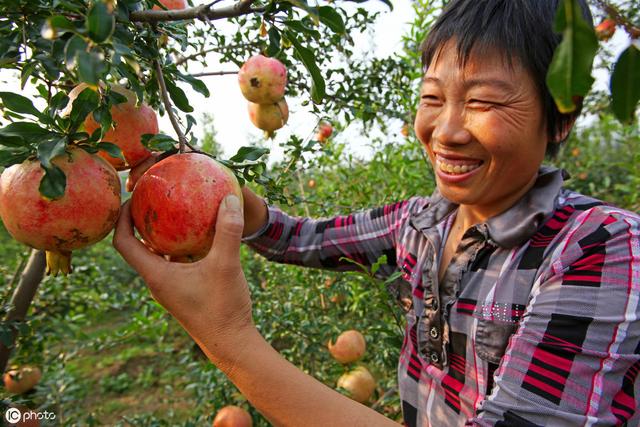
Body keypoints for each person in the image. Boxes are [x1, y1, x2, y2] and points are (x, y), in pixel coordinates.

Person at [113, 0, 640, 425]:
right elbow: (299, 238)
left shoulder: (600, 247)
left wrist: (228, 340)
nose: (447, 131)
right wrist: (218, 197)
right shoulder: (420, 223)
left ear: (560, 119)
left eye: (483, 103)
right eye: (433, 98)